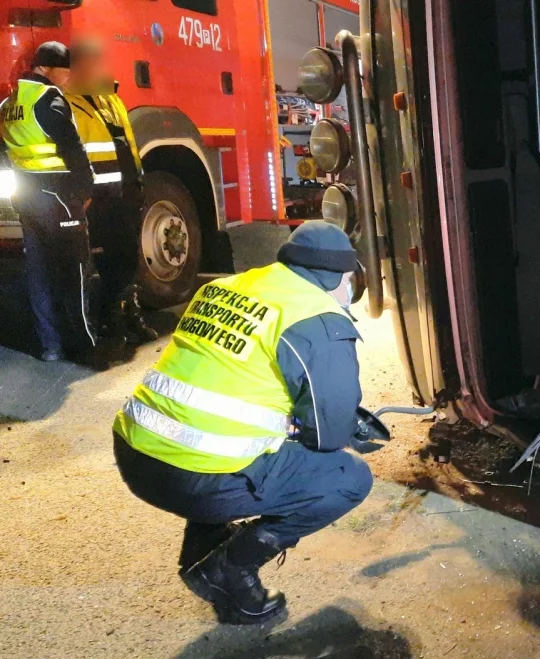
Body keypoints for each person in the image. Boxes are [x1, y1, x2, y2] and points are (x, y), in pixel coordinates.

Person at [113, 221, 373, 625]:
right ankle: (228, 571)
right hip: (191, 479)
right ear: (341, 277)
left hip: (134, 452)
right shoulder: (319, 319)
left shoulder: (226, 287)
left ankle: (201, 551)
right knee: (348, 478)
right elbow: (329, 436)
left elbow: (226, 380)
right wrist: (310, 423)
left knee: (225, 443)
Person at [0, 42, 111, 363]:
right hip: (59, 197)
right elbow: (72, 148)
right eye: (65, 70)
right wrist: (84, 190)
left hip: (27, 199)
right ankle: (86, 346)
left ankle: (51, 347)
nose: (69, 77)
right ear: (47, 68)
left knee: (39, 273)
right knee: (75, 271)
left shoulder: (9, 103)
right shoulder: (48, 100)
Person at [68, 38, 157, 348]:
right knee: (105, 264)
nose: (99, 67)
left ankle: (130, 316)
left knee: (128, 258)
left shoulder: (111, 98)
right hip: (98, 199)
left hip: (125, 194)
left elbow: (127, 145)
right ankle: (109, 321)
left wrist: (138, 183)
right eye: (91, 62)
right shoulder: (66, 102)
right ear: (75, 67)